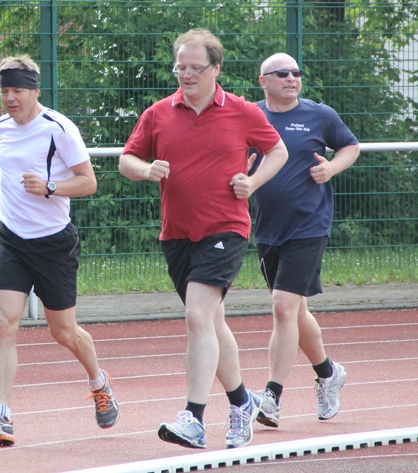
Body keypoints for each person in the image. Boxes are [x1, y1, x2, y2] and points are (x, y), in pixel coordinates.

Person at [119, 29, 288, 450]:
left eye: (196, 68)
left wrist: (252, 181)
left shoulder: (242, 111)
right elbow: (126, 160)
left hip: (226, 227)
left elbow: (279, 151)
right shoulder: (158, 113)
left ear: (216, 68)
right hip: (176, 233)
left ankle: (193, 418)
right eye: (181, 67)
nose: (187, 75)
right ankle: (241, 402)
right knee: (211, 322)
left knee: (197, 316)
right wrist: (147, 170)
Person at [0, 55, 119, 447]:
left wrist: (50, 186)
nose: (10, 99)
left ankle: (99, 382)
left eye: (17, 91)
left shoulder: (59, 128)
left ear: (35, 90)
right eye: (4, 92)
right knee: (4, 321)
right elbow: (7, 173)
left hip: (54, 243)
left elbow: (88, 182)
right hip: (13, 239)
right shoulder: (1, 127)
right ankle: (2, 415)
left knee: (63, 331)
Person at [250, 53, 360, 428]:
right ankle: (328, 373)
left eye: (296, 73)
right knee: (295, 312)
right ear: (263, 80)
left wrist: (331, 167)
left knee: (282, 307)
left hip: (309, 226)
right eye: (282, 74)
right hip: (267, 229)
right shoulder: (250, 116)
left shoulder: (320, 115)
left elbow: (350, 146)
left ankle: (271, 398)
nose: (291, 78)